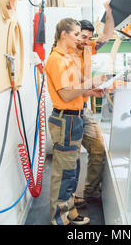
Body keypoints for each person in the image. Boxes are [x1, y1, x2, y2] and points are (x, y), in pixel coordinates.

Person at [45, 18, 105, 225]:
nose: (81, 38)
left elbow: (76, 87)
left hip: (75, 118)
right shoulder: (56, 59)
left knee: (70, 171)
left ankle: (69, 210)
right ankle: (59, 218)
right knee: (63, 172)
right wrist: (90, 82)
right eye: (77, 34)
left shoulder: (68, 58)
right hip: (66, 119)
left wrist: (91, 90)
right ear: (64, 34)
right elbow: (66, 94)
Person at [73, 2, 115, 209]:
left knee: (98, 148)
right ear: (74, 35)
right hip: (69, 113)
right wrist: (92, 85)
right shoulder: (67, 55)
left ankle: (90, 192)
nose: (86, 41)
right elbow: (72, 85)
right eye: (82, 36)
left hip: (84, 109)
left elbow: (107, 35)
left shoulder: (89, 48)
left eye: (89, 37)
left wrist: (109, 13)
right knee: (70, 161)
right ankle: (67, 202)